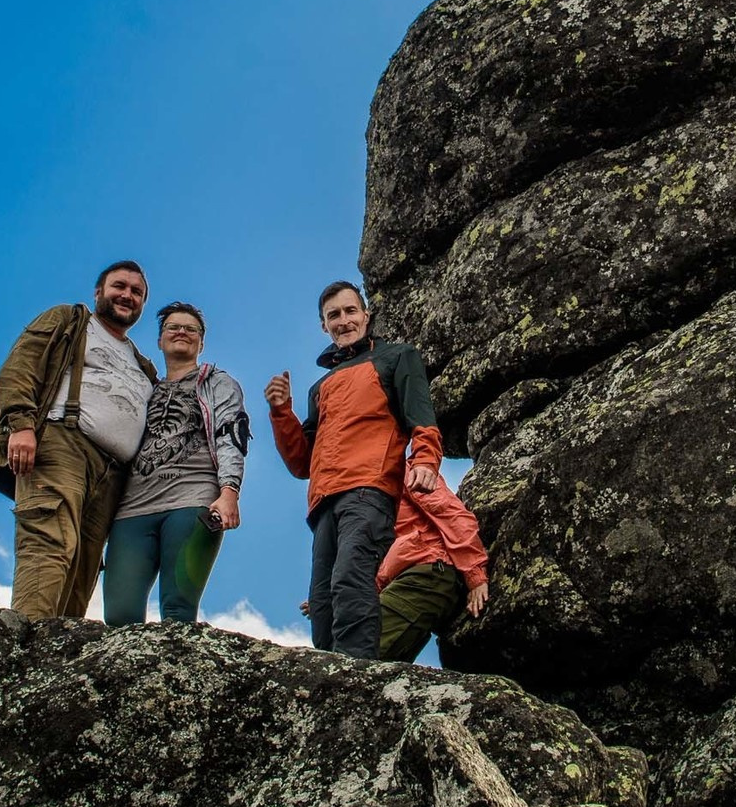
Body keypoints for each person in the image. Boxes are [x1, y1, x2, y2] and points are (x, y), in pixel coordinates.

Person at [0, 262, 158, 618]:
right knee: (50, 538)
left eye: (136, 292)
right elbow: (20, 369)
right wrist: (20, 425)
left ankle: (59, 651)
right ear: (99, 292)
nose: (127, 295)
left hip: (114, 474)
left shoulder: (143, 365)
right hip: (62, 443)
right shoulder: (70, 321)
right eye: (120, 286)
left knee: (85, 560)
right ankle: (28, 636)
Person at [266, 280, 443, 660]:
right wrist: (282, 412)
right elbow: (301, 462)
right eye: (334, 315)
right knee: (323, 601)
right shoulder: (320, 387)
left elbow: (421, 416)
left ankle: (358, 674)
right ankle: (333, 679)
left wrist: (426, 460)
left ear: (366, 315)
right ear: (323, 326)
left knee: (351, 578)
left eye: (350, 311)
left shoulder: (397, 356)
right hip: (323, 501)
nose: (343, 320)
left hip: (370, 488)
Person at [102, 302, 249, 626]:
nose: (181, 331)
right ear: (159, 340)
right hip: (132, 509)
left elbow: (231, 435)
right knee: (119, 617)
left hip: (192, 502)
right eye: (173, 327)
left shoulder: (217, 383)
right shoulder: (141, 387)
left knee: (179, 611)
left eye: (190, 328)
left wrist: (229, 491)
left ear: (201, 342)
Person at [375, 475, 491, 662]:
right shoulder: (362, 494)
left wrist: (475, 574)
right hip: (406, 581)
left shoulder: (405, 472)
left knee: (359, 648)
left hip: (429, 571)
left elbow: (450, 513)